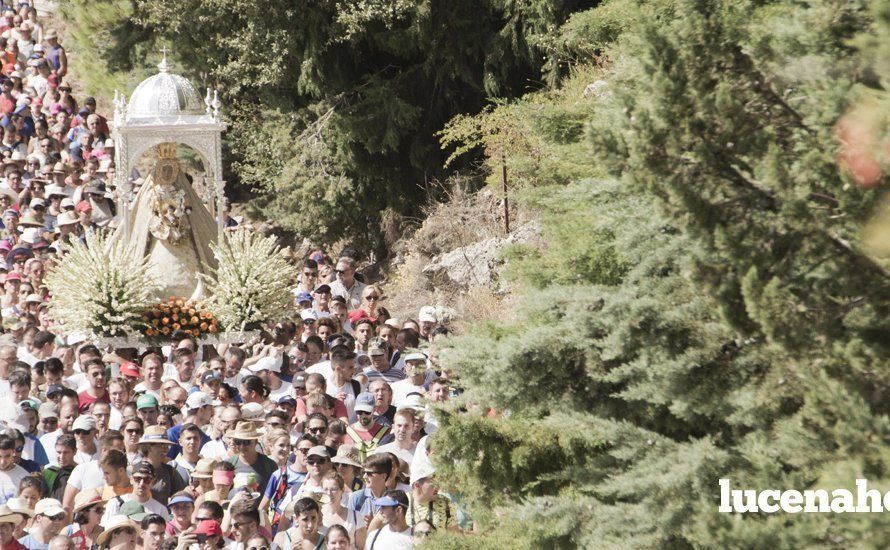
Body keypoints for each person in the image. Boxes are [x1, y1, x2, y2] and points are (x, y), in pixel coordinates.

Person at [101, 461, 170, 523]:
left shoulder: (160, 510)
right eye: (138, 479)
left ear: (153, 482)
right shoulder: (116, 504)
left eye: (147, 479)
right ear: (131, 480)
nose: (141, 483)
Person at [136, 426, 187, 504]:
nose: (166, 450)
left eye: (167, 446)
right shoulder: (134, 470)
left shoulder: (170, 472)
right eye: (162, 445)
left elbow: (181, 497)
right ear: (149, 447)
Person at [226, 422, 276, 493]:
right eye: (238, 441)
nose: (242, 446)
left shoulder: (269, 464)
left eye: (247, 442)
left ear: (255, 442)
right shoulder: (229, 464)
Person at [320, 472, 365, 547]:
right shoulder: (316, 516)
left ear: (342, 490)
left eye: (333, 489)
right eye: (325, 489)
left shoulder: (355, 517)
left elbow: (362, 547)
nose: (329, 493)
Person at [343, 394, 389, 462]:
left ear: (374, 409)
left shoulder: (386, 432)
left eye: (367, 412)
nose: (363, 415)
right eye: (359, 412)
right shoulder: (346, 432)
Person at [41, 434, 75, 502]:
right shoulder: (48, 472)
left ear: (74, 451)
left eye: (66, 453)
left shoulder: (79, 471)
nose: (61, 457)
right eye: (59, 452)